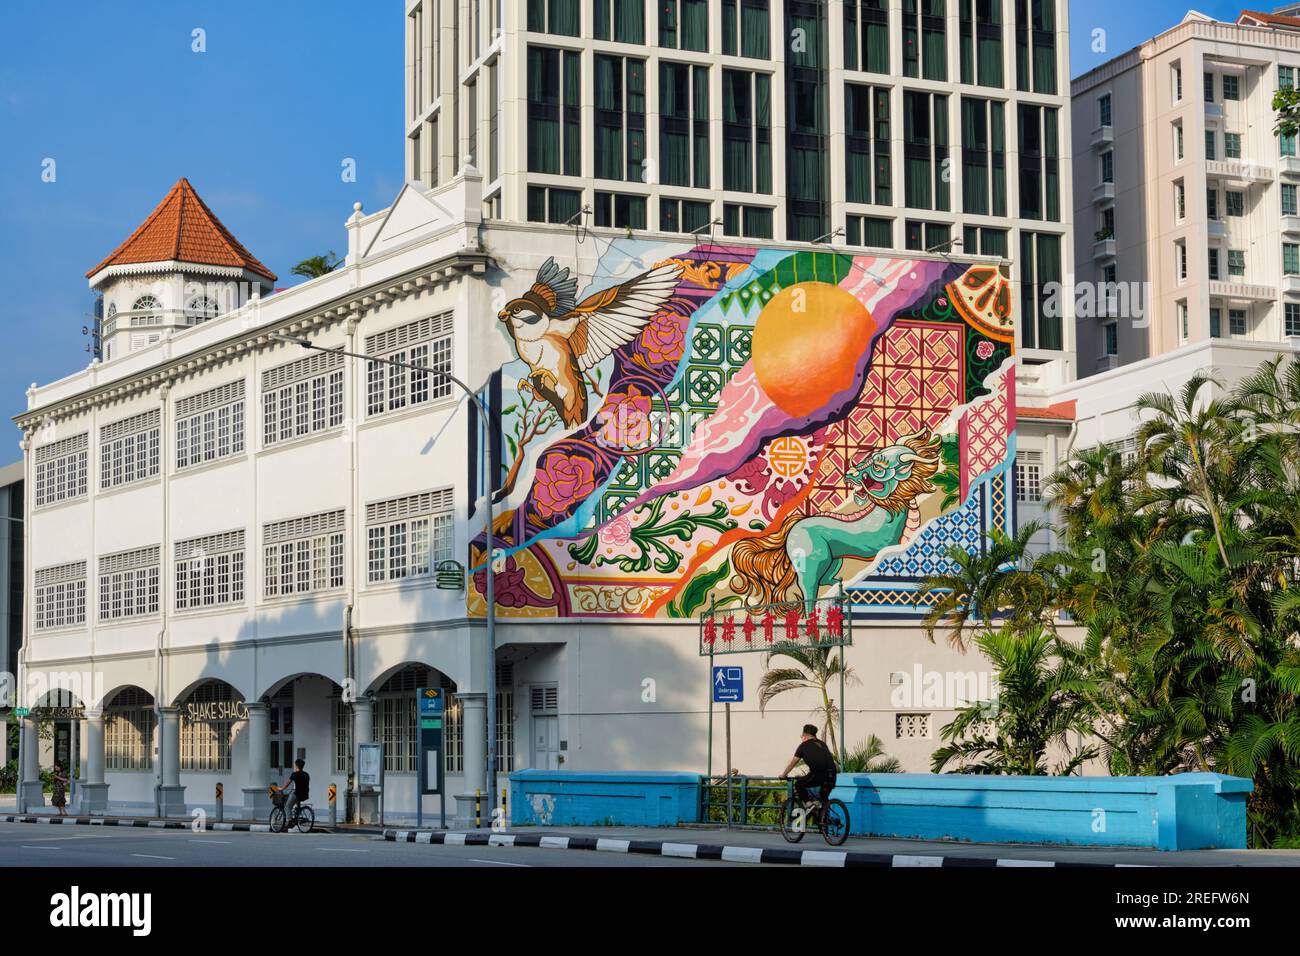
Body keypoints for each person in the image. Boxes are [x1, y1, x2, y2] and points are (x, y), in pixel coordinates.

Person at [779, 725, 837, 809]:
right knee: (823, 800)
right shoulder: (822, 744)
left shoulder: (803, 746)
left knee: (798, 784)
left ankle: (807, 802)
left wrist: (784, 775)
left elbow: (792, 763)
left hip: (819, 775)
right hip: (832, 776)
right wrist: (805, 777)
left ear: (805, 736)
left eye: (801, 736)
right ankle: (822, 820)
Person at [279, 758, 310, 829]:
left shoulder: (294, 774)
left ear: (296, 766)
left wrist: (281, 788)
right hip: (305, 794)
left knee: (287, 806)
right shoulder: (306, 774)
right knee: (295, 802)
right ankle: (296, 817)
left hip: (297, 794)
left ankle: (290, 822)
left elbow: (287, 784)